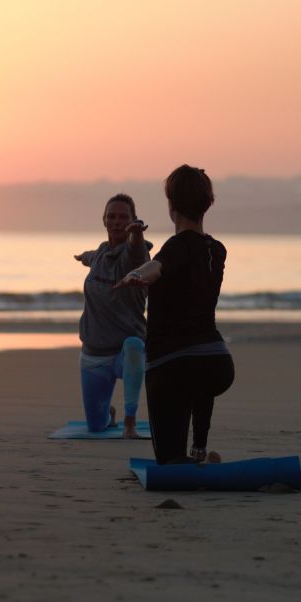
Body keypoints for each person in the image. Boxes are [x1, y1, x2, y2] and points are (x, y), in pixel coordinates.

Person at [116, 165, 233, 465]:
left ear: (172, 206)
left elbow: (158, 266)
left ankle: (191, 460)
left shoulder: (175, 246)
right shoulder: (217, 251)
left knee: (167, 462)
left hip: (172, 366)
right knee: (197, 378)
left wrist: (137, 274)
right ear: (208, 204)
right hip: (217, 362)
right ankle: (200, 452)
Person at [74, 194, 150, 438]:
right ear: (104, 221)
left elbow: (135, 248)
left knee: (134, 345)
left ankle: (130, 421)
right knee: (96, 426)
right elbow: (91, 256)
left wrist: (136, 234)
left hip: (124, 354)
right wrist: (81, 257)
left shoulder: (136, 258)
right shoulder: (99, 255)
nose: (117, 222)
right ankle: (110, 414)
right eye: (112, 217)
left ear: (132, 220)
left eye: (123, 217)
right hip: (94, 354)